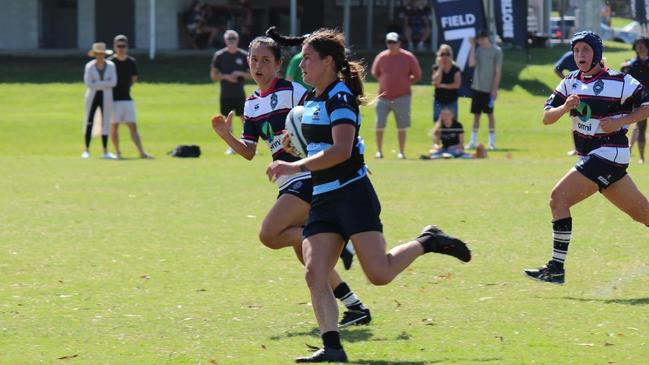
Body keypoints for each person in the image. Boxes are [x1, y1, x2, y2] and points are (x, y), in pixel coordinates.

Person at [266, 27, 471, 363]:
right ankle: (332, 348)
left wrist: (295, 165)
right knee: (314, 271)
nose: (301, 66)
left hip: (352, 196)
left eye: (307, 60)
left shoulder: (340, 96)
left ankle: (429, 240)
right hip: (323, 197)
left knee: (380, 274)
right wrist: (295, 147)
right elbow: (322, 142)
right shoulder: (313, 98)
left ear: (328, 62)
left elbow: (342, 150)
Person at [210, 29, 372, 330]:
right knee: (308, 257)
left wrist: (348, 155)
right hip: (287, 181)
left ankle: (335, 237)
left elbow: (328, 117)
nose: (259, 65)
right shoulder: (251, 104)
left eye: (266, 60)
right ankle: (355, 306)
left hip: (307, 174)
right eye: (254, 59)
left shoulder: (295, 91)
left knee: (270, 234)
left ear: (278, 64)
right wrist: (226, 136)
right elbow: (248, 152)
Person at [524, 31, 649, 285]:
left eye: (586, 50)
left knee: (558, 198)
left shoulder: (620, 80)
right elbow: (547, 117)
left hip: (609, 154)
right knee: (643, 214)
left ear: (597, 54)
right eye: (577, 50)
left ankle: (556, 269)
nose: (580, 55)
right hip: (594, 157)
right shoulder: (570, 82)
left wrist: (622, 121)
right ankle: (556, 269)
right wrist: (565, 107)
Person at [371, 32, 422, 160]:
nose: (391, 45)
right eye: (389, 42)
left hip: (402, 97)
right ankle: (379, 151)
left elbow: (417, 74)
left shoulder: (408, 57)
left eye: (394, 42)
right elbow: (375, 73)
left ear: (399, 43)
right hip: (383, 97)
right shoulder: (381, 57)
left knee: (401, 126)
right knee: (379, 125)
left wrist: (406, 82)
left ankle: (401, 151)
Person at [108, 35, 152, 160]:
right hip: (113, 99)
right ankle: (118, 153)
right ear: (115, 47)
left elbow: (133, 79)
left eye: (123, 46)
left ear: (127, 47)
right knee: (114, 126)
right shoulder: (110, 63)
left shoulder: (131, 62)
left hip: (127, 98)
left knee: (132, 126)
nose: (121, 49)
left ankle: (142, 153)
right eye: (118, 46)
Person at [210, 30, 251, 155]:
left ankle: (248, 144)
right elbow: (213, 75)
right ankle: (232, 147)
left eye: (233, 38)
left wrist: (240, 73)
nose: (231, 41)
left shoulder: (244, 55)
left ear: (238, 40)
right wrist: (226, 77)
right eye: (229, 38)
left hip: (239, 93)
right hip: (226, 93)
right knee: (227, 120)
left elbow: (252, 75)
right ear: (225, 40)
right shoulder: (220, 55)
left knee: (245, 120)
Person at [467, 29, 502, 151]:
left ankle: (492, 142)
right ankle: (472, 141)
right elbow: (471, 63)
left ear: (487, 38)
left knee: (490, 115)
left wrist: (494, 89)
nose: (480, 41)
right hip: (477, 87)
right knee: (476, 115)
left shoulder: (496, 51)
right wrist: (472, 46)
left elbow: (497, 72)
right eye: (479, 39)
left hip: (489, 89)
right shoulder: (479, 50)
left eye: (482, 39)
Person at [82, 42, 117, 159]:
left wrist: (98, 83)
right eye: (98, 54)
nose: (100, 56)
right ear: (95, 54)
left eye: (102, 54)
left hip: (106, 96)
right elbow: (89, 84)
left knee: (105, 121)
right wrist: (104, 84)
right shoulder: (89, 66)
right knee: (89, 120)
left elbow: (113, 82)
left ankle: (105, 150)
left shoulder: (111, 66)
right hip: (93, 96)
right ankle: (86, 149)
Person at [622, 37, 649, 164]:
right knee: (640, 126)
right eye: (637, 44)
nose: (640, 46)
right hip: (640, 101)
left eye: (642, 44)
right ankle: (641, 157)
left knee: (639, 127)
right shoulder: (631, 65)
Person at [554, 50, 579, 156]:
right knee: (576, 120)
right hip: (575, 92)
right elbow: (557, 68)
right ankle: (577, 148)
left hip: (591, 90)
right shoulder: (569, 55)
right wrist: (566, 80)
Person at [432, 43, 461, 122]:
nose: (445, 56)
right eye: (442, 54)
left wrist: (443, 85)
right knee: (437, 122)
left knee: (453, 123)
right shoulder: (436, 68)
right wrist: (441, 67)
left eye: (447, 54)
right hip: (439, 100)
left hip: (452, 100)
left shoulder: (455, 69)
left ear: (450, 55)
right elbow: (436, 83)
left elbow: (457, 85)